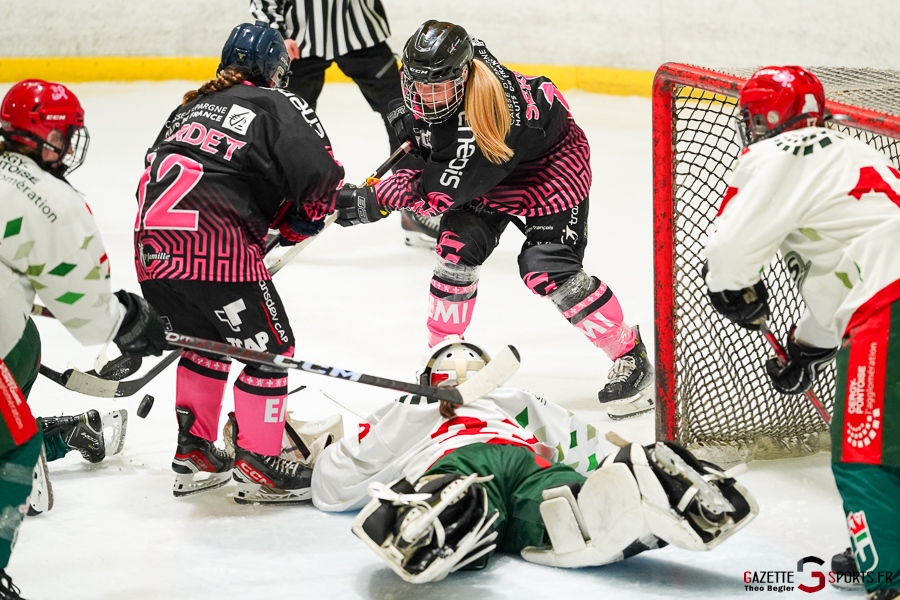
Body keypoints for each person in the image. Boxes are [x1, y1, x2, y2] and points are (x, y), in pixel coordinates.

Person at [334, 21, 653, 418]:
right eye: (419, 86)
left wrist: (371, 200)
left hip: (549, 169)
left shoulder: (481, 119)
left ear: (462, 77)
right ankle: (442, 356)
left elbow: (437, 193)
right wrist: (414, 149)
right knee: (456, 253)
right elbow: (432, 152)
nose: (426, 97)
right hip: (490, 163)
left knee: (547, 269)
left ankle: (629, 352)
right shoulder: (459, 66)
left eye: (437, 88)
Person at [310, 338, 757, 583]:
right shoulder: (515, 398)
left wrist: (325, 458)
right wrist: (617, 460)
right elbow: (581, 443)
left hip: (460, 460)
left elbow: (340, 477)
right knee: (565, 509)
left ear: (428, 380)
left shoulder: (410, 405)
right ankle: (654, 488)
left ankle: (441, 516)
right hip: (527, 461)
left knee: (463, 493)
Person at [704, 66, 900, 600]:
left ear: (767, 119)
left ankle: (890, 573)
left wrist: (733, 290)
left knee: (865, 452)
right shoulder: (856, 154)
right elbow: (841, 284)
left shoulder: (779, 154)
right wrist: (807, 348)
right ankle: (886, 540)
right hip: (882, 299)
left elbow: (728, 253)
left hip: (890, 307)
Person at [134, 22, 345, 504]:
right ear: (274, 69)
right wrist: (303, 222)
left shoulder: (187, 108)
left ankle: (196, 452)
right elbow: (320, 179)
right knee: (270, 351)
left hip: (152, 253)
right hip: (217, 254)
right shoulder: (277, 102)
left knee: (204, 346)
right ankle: (260, 463)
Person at [0, 79, 166, 600]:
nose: (71, 146)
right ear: (49, 138)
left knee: (23, 342)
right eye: (66, 135)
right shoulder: (53, 202)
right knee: (17, 443)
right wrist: (131, 322)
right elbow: (91, 317)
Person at [249, 0, 434, 248]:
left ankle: (416, 208)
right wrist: (277, 34)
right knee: (281, 125)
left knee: (406, 113)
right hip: (298, 39)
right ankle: (272, 213)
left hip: (359, 32)